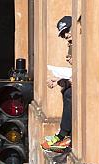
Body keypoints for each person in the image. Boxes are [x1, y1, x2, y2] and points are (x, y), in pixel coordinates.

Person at [42, 16, 73, 152]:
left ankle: (64, 134)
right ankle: (64, 134)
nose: (66, 35)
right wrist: (59, 80)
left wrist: (61, 80)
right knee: (66, 91)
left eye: (67, 30)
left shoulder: (81, 43)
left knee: (69, 93)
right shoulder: (72, 46)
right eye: (63, 34)